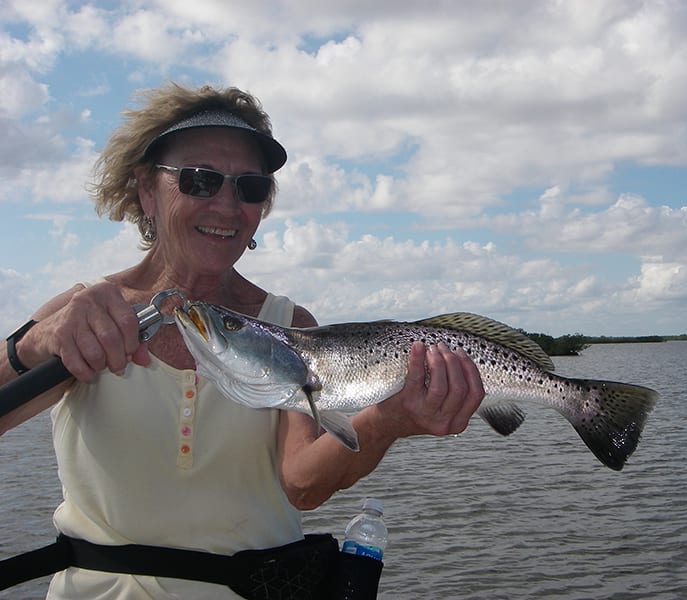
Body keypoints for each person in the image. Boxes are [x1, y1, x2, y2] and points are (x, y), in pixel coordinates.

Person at [0, 83, 485, 598]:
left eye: (249, 188)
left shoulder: (288, 323)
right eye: (200, 180)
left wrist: (388, 419)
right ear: (145, 189)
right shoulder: (86, 313)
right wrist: (34, 347)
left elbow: (301, 482)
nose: (227, 206)